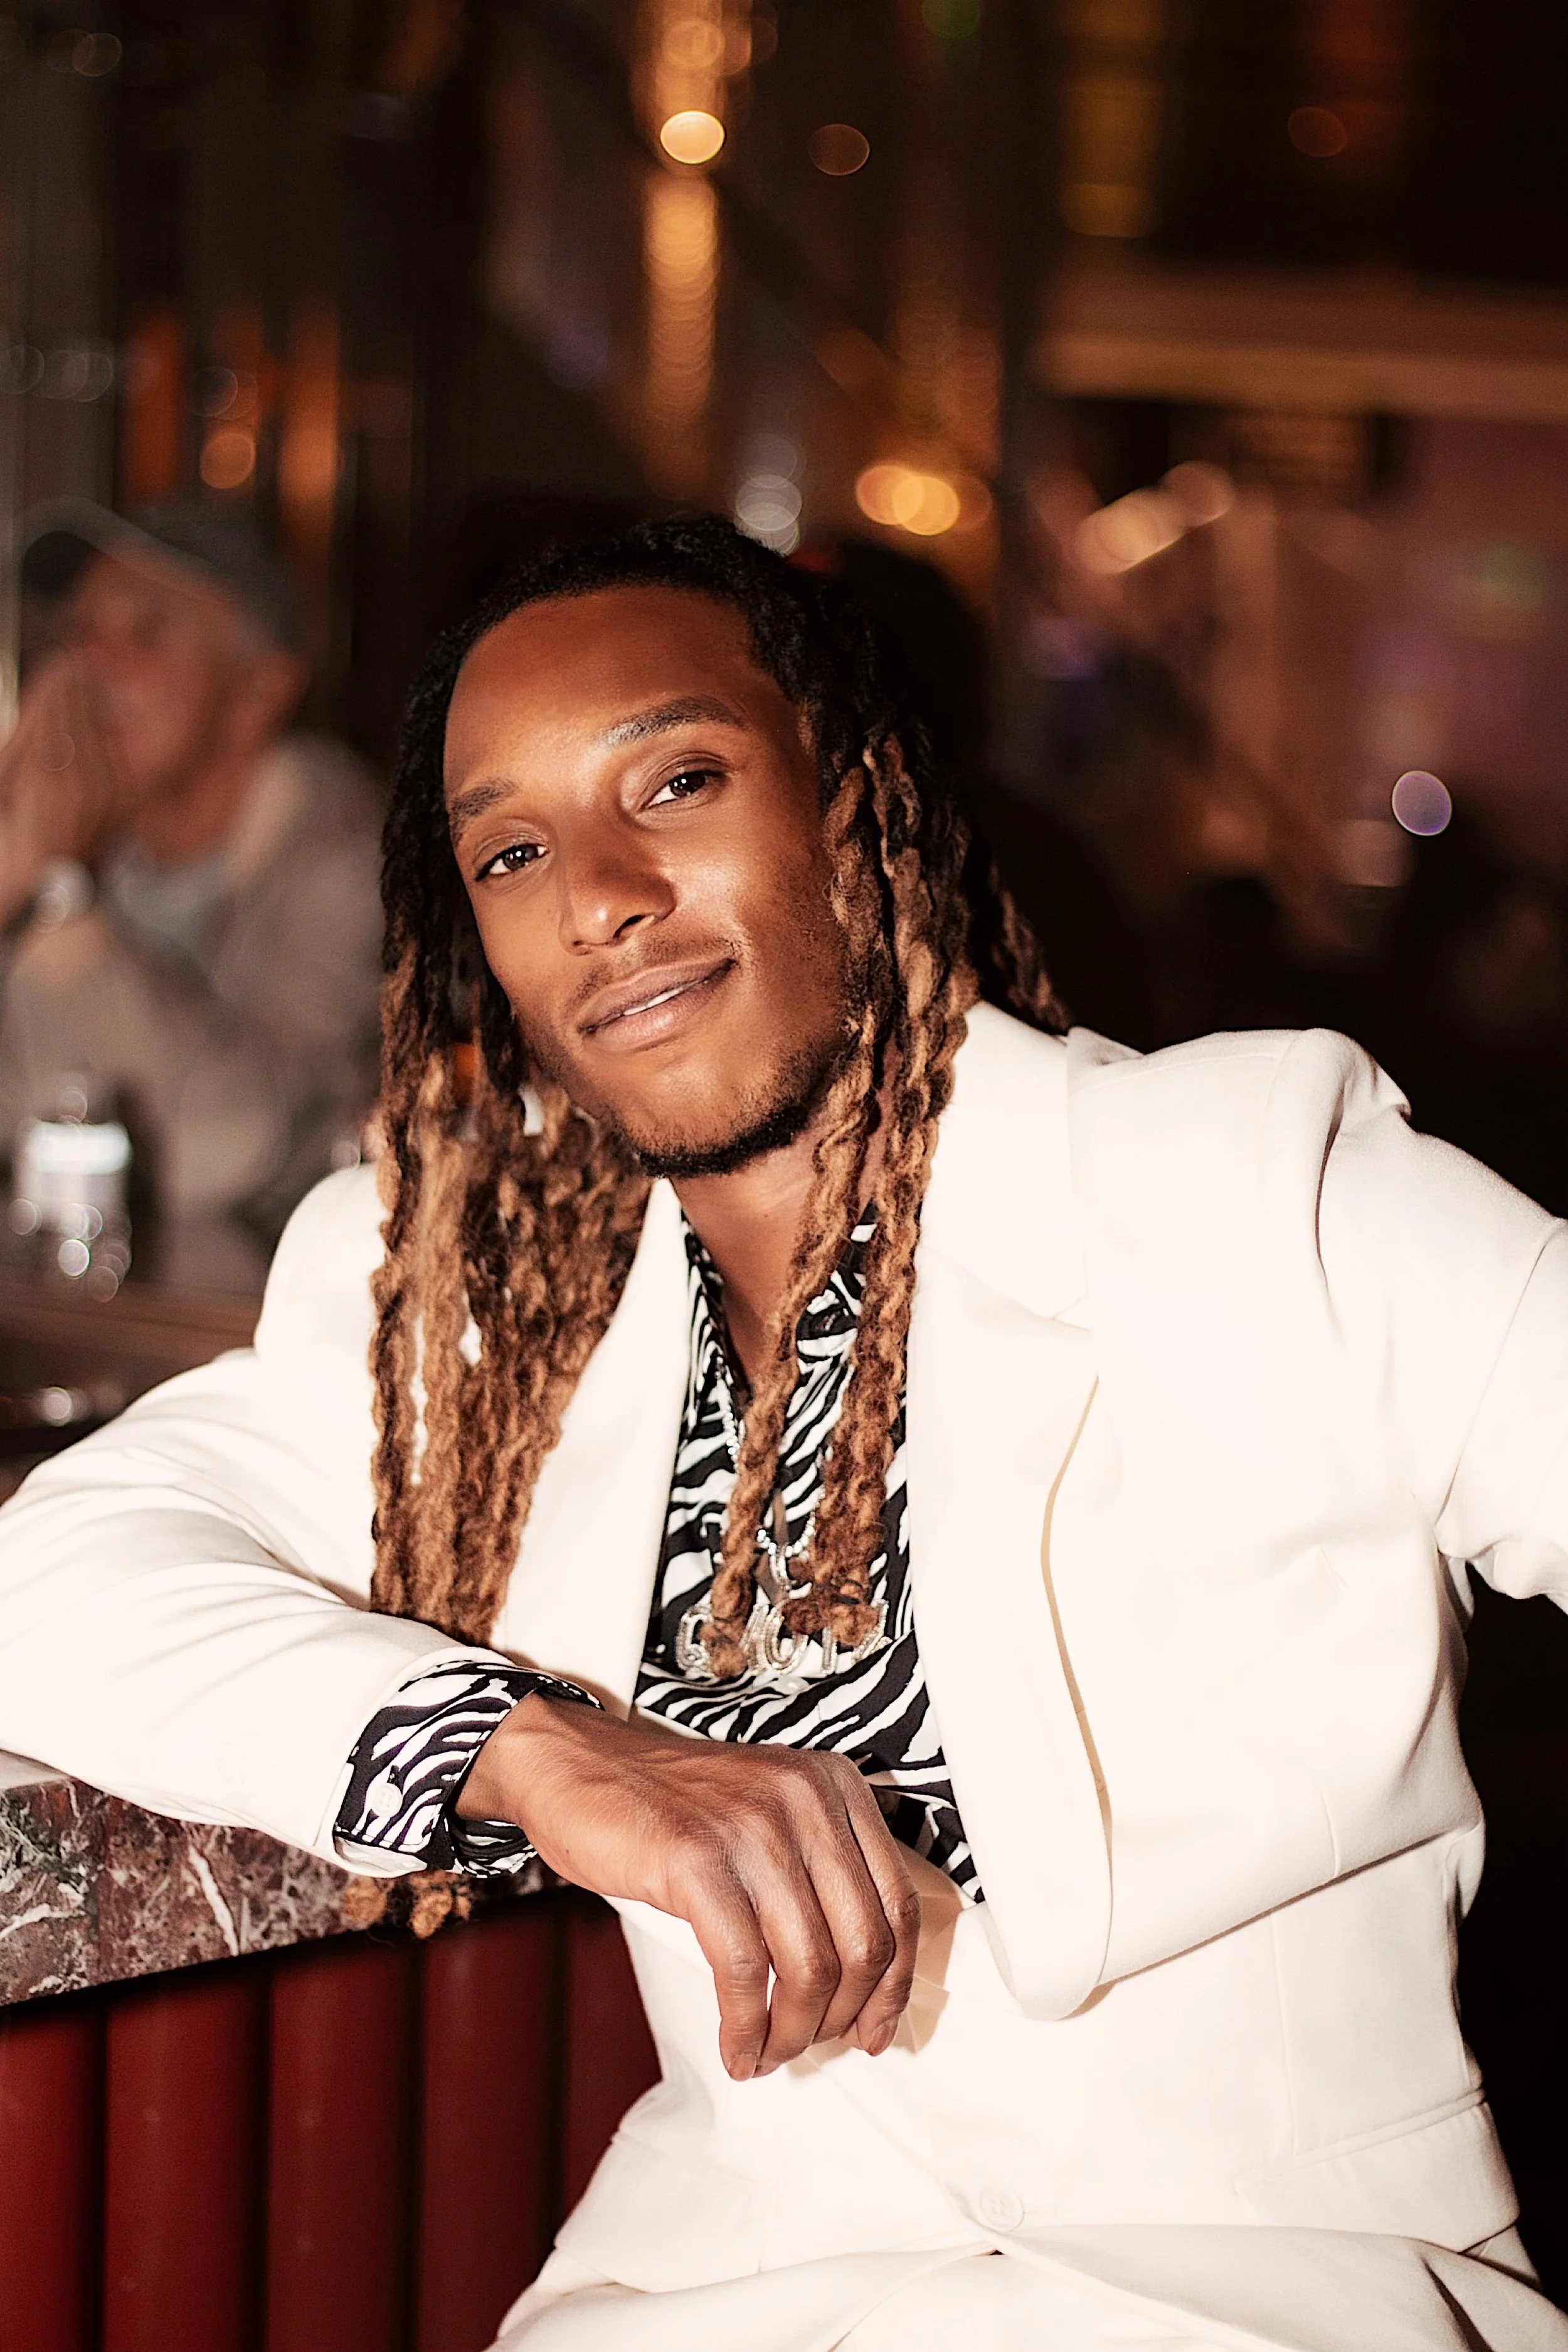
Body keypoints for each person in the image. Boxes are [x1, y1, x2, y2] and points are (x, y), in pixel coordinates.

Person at [0, 516, 1565, 2351]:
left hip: (1261, 2280)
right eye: (510, 847)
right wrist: (539, 1748)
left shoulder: (1241, 1178)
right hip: (722, 2283)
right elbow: (52, 1571)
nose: (595, 889)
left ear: (852, 802)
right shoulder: (484, 1298)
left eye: (672, 778)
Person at [0, 499, 384, 1236]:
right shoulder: (73, 829)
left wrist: (58, 903)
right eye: (80, 632)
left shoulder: (350, 859)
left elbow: (227, 1151)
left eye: (146, 633)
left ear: (259, 693)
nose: (88, 668)